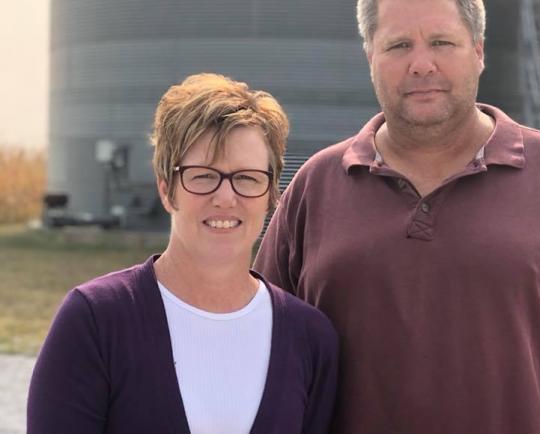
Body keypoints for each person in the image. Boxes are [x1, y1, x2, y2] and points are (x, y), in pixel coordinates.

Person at [255, 0, 540, 432]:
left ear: (478, 51)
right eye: (398, 45)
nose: (421, 64)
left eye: (441, 42)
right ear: (370, 58)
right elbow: (264, 352)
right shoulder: (315, 186)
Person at [28, 73, 338, 434]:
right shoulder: (95, 322)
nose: (225, 197)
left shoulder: (310, 339)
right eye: (204, 176)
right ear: (166, 189)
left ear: (271, 195)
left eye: (248, 178)